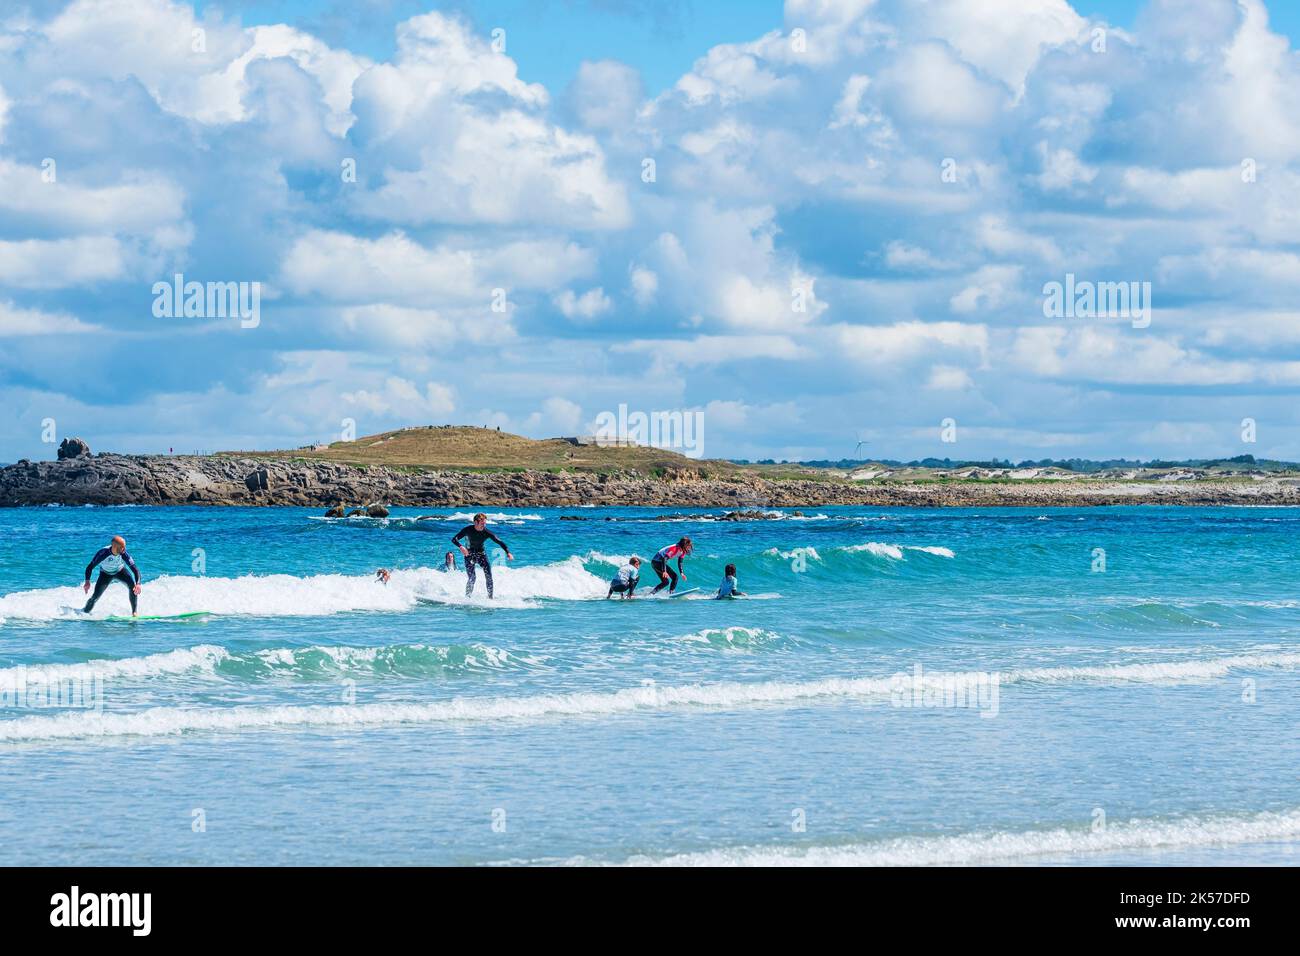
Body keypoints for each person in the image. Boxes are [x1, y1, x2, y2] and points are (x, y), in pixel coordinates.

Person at [452, 513, 513, 598]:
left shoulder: (487, 532)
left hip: (481, 555)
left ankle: (490, 598)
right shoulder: (467, 530)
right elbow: (454, 539)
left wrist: (508, 552)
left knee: (489, 577)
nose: (484, 525)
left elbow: (500, 542)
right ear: (475, 522)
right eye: (482, 524)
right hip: (469, 555)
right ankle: (467, 598)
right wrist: (461, 546)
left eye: (485, 523)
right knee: (472, 578)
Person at [82, 535, 142, 616]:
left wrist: (138, 584)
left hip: (120, 571)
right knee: (95, 597)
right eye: (122, 547)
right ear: (114, 546)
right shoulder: (103, 553)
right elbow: (90, 567)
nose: (124, 549)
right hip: (105, 574)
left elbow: (135, 569)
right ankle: (84, 613)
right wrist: (87, 581)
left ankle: (134, 612)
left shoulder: (124, 553)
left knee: (133, 587)